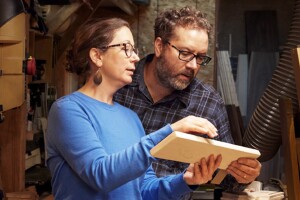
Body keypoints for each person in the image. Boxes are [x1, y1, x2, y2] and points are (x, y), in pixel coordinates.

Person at [45, 17, 224, 200]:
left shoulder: (130, 118)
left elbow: (145, 190)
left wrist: (185, 181)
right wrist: (170, 133)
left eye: (134, 49)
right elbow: (100, 174)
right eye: (126, 48)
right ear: (97, 56)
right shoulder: (68, 110)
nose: (136, 57)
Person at [114, 6, 262, 197]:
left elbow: (227, 180)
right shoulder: (118, 86)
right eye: (184, 53)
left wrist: (244, 174)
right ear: (159, 46)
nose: (193, 65)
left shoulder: (207, 103)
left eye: (200, 57)